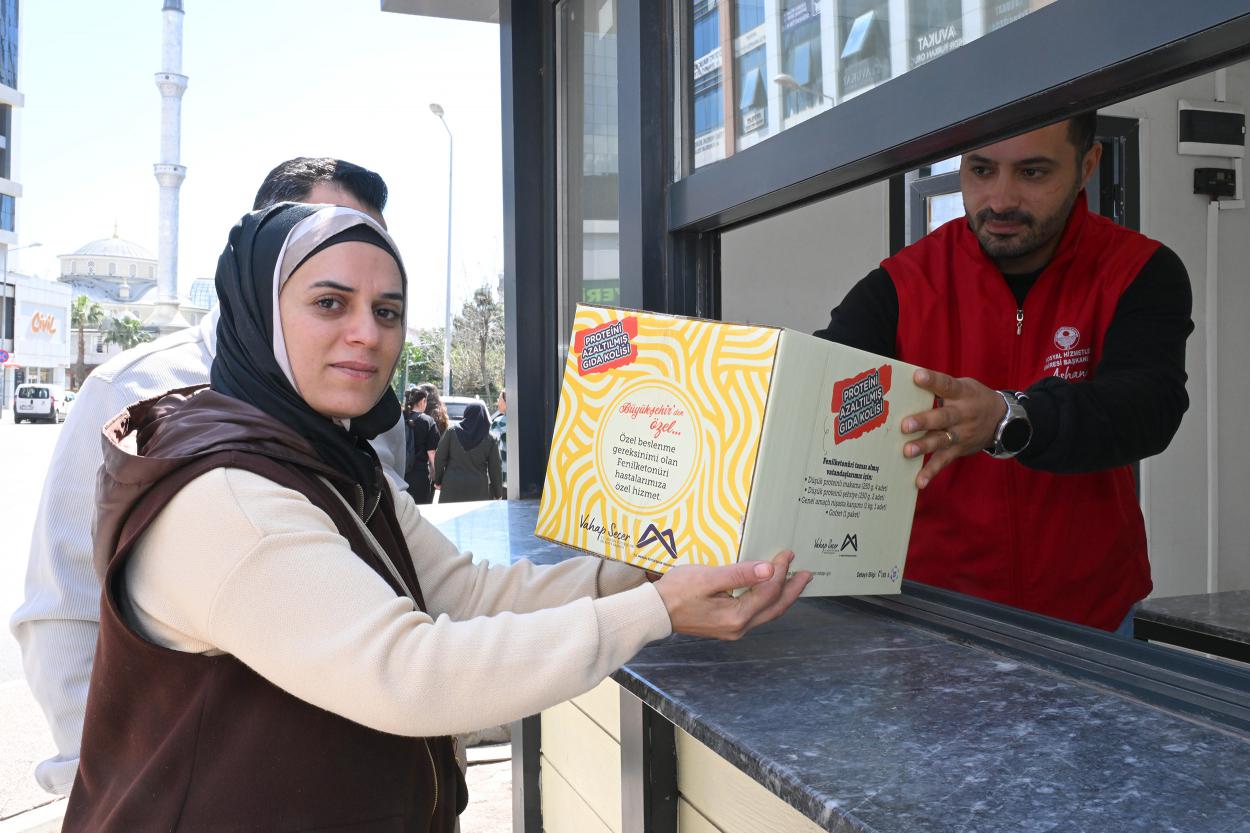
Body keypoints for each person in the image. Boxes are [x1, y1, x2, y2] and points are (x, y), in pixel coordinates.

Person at [61, 202, 810, 832]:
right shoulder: (223, 495)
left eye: (387, 311)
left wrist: (641, 571)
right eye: (330, 303)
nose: (368, 332)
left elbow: (468, 592)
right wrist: (656, 611)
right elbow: (408, 673)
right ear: (260, 316)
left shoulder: (332, 461)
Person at [9, 157, 401, 796]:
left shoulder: (368, 400)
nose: (355, 261)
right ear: (264, 251)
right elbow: (67, 605)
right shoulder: (136, 390)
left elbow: (411, 579)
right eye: (325, 240)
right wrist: (115, 779)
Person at [814, 114, 1193, 633]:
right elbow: (812, 399)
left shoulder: (1140, 269)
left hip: (1094, 617)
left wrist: (1009, 417)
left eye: (1032, 173)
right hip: (931, 616)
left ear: (1087, 165)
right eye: (981, 170)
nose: (1000, 199)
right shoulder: (901, 285)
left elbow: (1149, 406)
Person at [433, 401, 503, 502]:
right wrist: (498, 493)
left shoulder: (452, 431)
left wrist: (438, 480)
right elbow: (495, 468)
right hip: (478, 490)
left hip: (452, 487)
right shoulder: (490, 438)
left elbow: (439, 457)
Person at [404, 386, 438, 504]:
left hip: (399, 474)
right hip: (420, 474)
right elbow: (432, 453)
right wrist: (436, 476)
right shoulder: (428, 421)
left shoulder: (399, 419)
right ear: (423, 401)